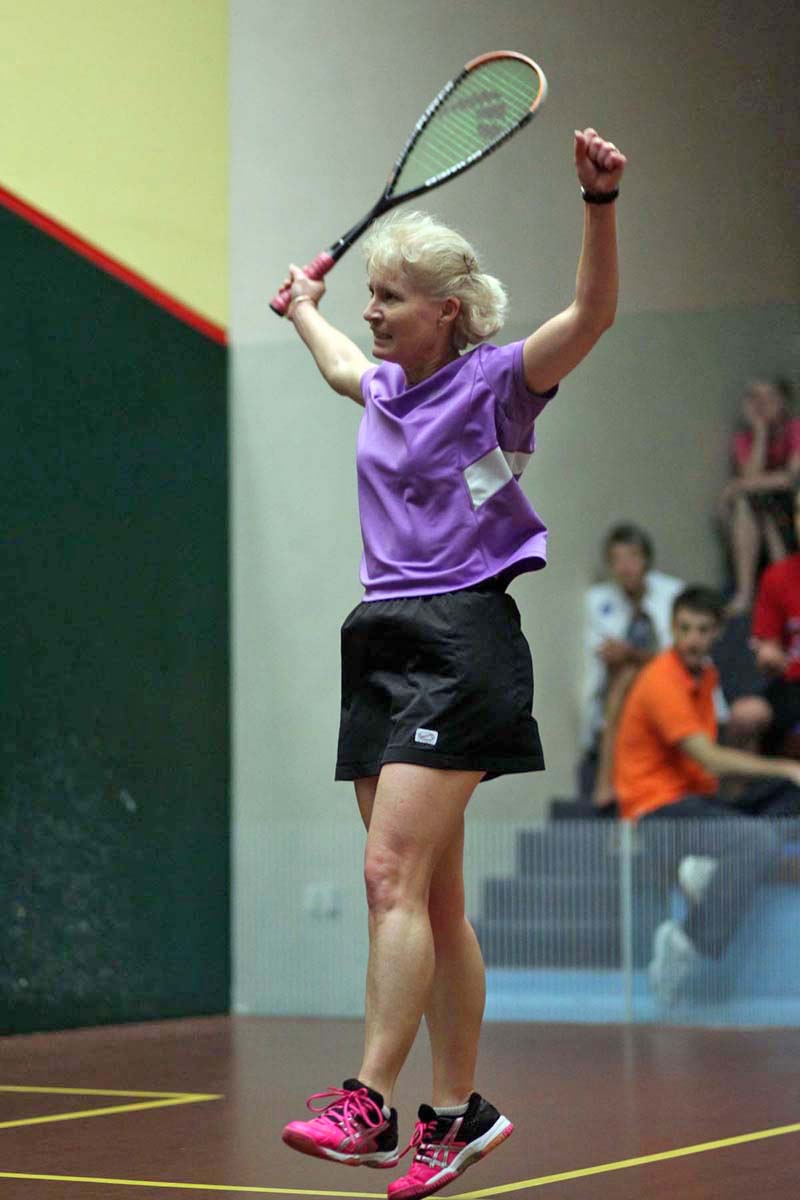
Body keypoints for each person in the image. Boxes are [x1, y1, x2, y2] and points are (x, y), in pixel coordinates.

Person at [276, 127, 626, 1200]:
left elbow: (591, 317)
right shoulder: (383, 387)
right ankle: (455, 1114)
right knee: (427, 899)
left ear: (447, 310)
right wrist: (304, 309)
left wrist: (598, 204)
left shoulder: (498, 384)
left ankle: (370, 1100)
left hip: (463, 639)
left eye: (389, 298)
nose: (372, 313)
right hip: (379, 639)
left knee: (388, 874)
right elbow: (340, 364)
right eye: (368, 295)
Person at [613, 586, 800, 1007]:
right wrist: (785, 766)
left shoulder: (706, 675)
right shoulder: (661, 679)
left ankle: (714, 865)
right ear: (672, 627)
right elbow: (709, 759)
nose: (692, 639)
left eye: (702, 630)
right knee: (761, 838)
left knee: (789, 795)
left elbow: (709, 770)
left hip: (697, 804)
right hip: (657, 813)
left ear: (716, 632)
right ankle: (686, 943)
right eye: (684, 629)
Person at [579, 523, 683, 809]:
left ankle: (605, 783)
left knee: (629, 671)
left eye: (633, 557)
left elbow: (677, 657)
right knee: (624, 674)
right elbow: (600, 652)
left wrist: (631, 654)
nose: (626, 567)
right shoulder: (598, 600)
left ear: (646, 560)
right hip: (619, 689)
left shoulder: (672, 593)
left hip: (665, 683)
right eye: (617, 559)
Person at [718, 379, 800, 615]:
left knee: (759, 501)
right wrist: (761, 433)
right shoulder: (744, 438)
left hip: (792, 504)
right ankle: (745, 593)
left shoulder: (795, 428)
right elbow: (751, 478)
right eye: (754, 397)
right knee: (746, 503)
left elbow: (789, 479)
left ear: (782, 402)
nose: (761, 403)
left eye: (769, 397)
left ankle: (785, 592)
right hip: (762, 507)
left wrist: (736, 485)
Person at [751, 480, 800, 758]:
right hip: (793, 683)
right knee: (747, 716)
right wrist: (768, 655)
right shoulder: (777, 576)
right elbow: (767, 645)